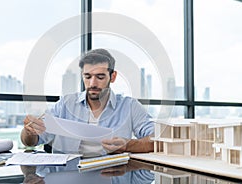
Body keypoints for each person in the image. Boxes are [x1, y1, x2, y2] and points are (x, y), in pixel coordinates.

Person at [21, 48, 154, 157]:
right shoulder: (66, 104)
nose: (92, 84)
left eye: (100, 77)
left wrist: (128, 145)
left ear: (112, 77)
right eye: (87, 76)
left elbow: (156, 139)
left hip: (113, 174)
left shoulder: (130, 106)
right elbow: (31, 142)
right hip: (68, 175)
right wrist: (29, 132)